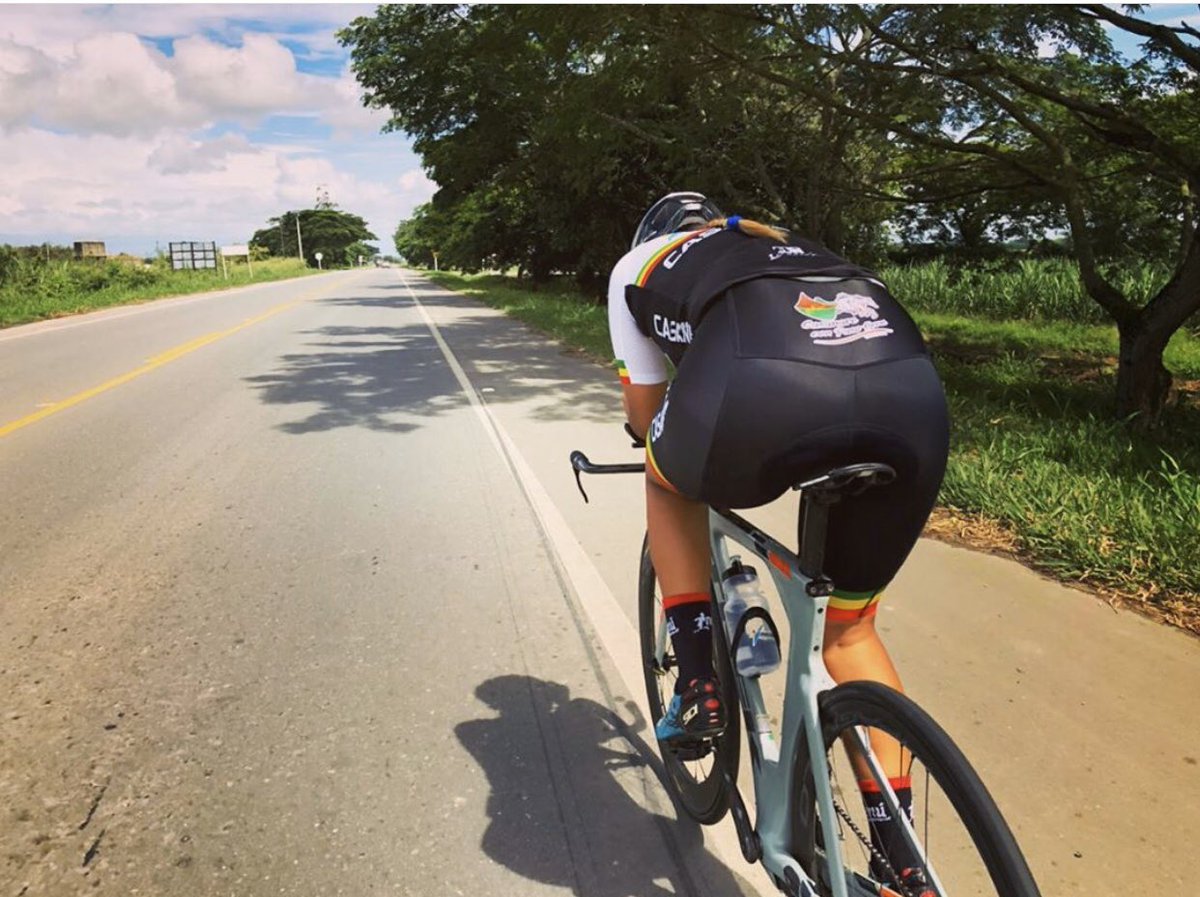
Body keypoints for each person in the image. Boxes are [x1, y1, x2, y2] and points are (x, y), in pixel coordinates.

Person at [607, 192, 949, 893]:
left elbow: (645, 417)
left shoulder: (637, 266)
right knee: (850, 628)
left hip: (760, 386)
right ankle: (900, 858)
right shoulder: (790, 243)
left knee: (665, 477)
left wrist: (683, 439)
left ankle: (698, 674)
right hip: (911, 398)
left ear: (658, 233)